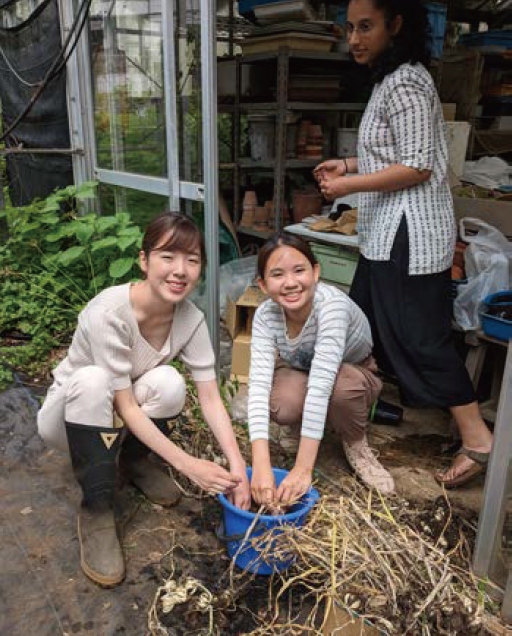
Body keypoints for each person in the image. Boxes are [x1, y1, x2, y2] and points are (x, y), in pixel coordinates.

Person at [314, 0, 493, 488]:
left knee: (420, 337)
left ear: (395, 25)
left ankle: (478, 438)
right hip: (387, 231)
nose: (354, 38)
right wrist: (348, 165)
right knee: (362, 322)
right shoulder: (389, 78)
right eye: (350, 28)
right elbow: (392, 151)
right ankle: (355, 416)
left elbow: (418, 167)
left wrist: (346, 188)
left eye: (366, 27)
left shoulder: (409, 80)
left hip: (409, 235)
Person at [37, 211, 251, 587]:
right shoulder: (110, 312)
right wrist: (188, 465)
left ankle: (133, 462)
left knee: (170, 383)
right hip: (69, 418)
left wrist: (239, 470)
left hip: (119, 410)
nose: (180, 270)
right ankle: (97, 508)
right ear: (144, 260)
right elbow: (126, 405)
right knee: (93, 379)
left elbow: (211, 398)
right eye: (167, 256)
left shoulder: (191, 319)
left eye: (192, 259)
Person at [248, 231, 395, 508]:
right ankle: (301, 425)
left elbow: (321, 385)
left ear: (315, 272)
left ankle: (356, 442)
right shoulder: (266, 315)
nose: (290, 283)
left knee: (340, 389)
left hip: (351, 372)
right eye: (277, 275)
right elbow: (256, 386)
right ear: (263, 284)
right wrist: (261, 465)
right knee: (281, 403)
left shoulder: (331, 307)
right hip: (301, 369)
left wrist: (303, 470)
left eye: (299, 270)